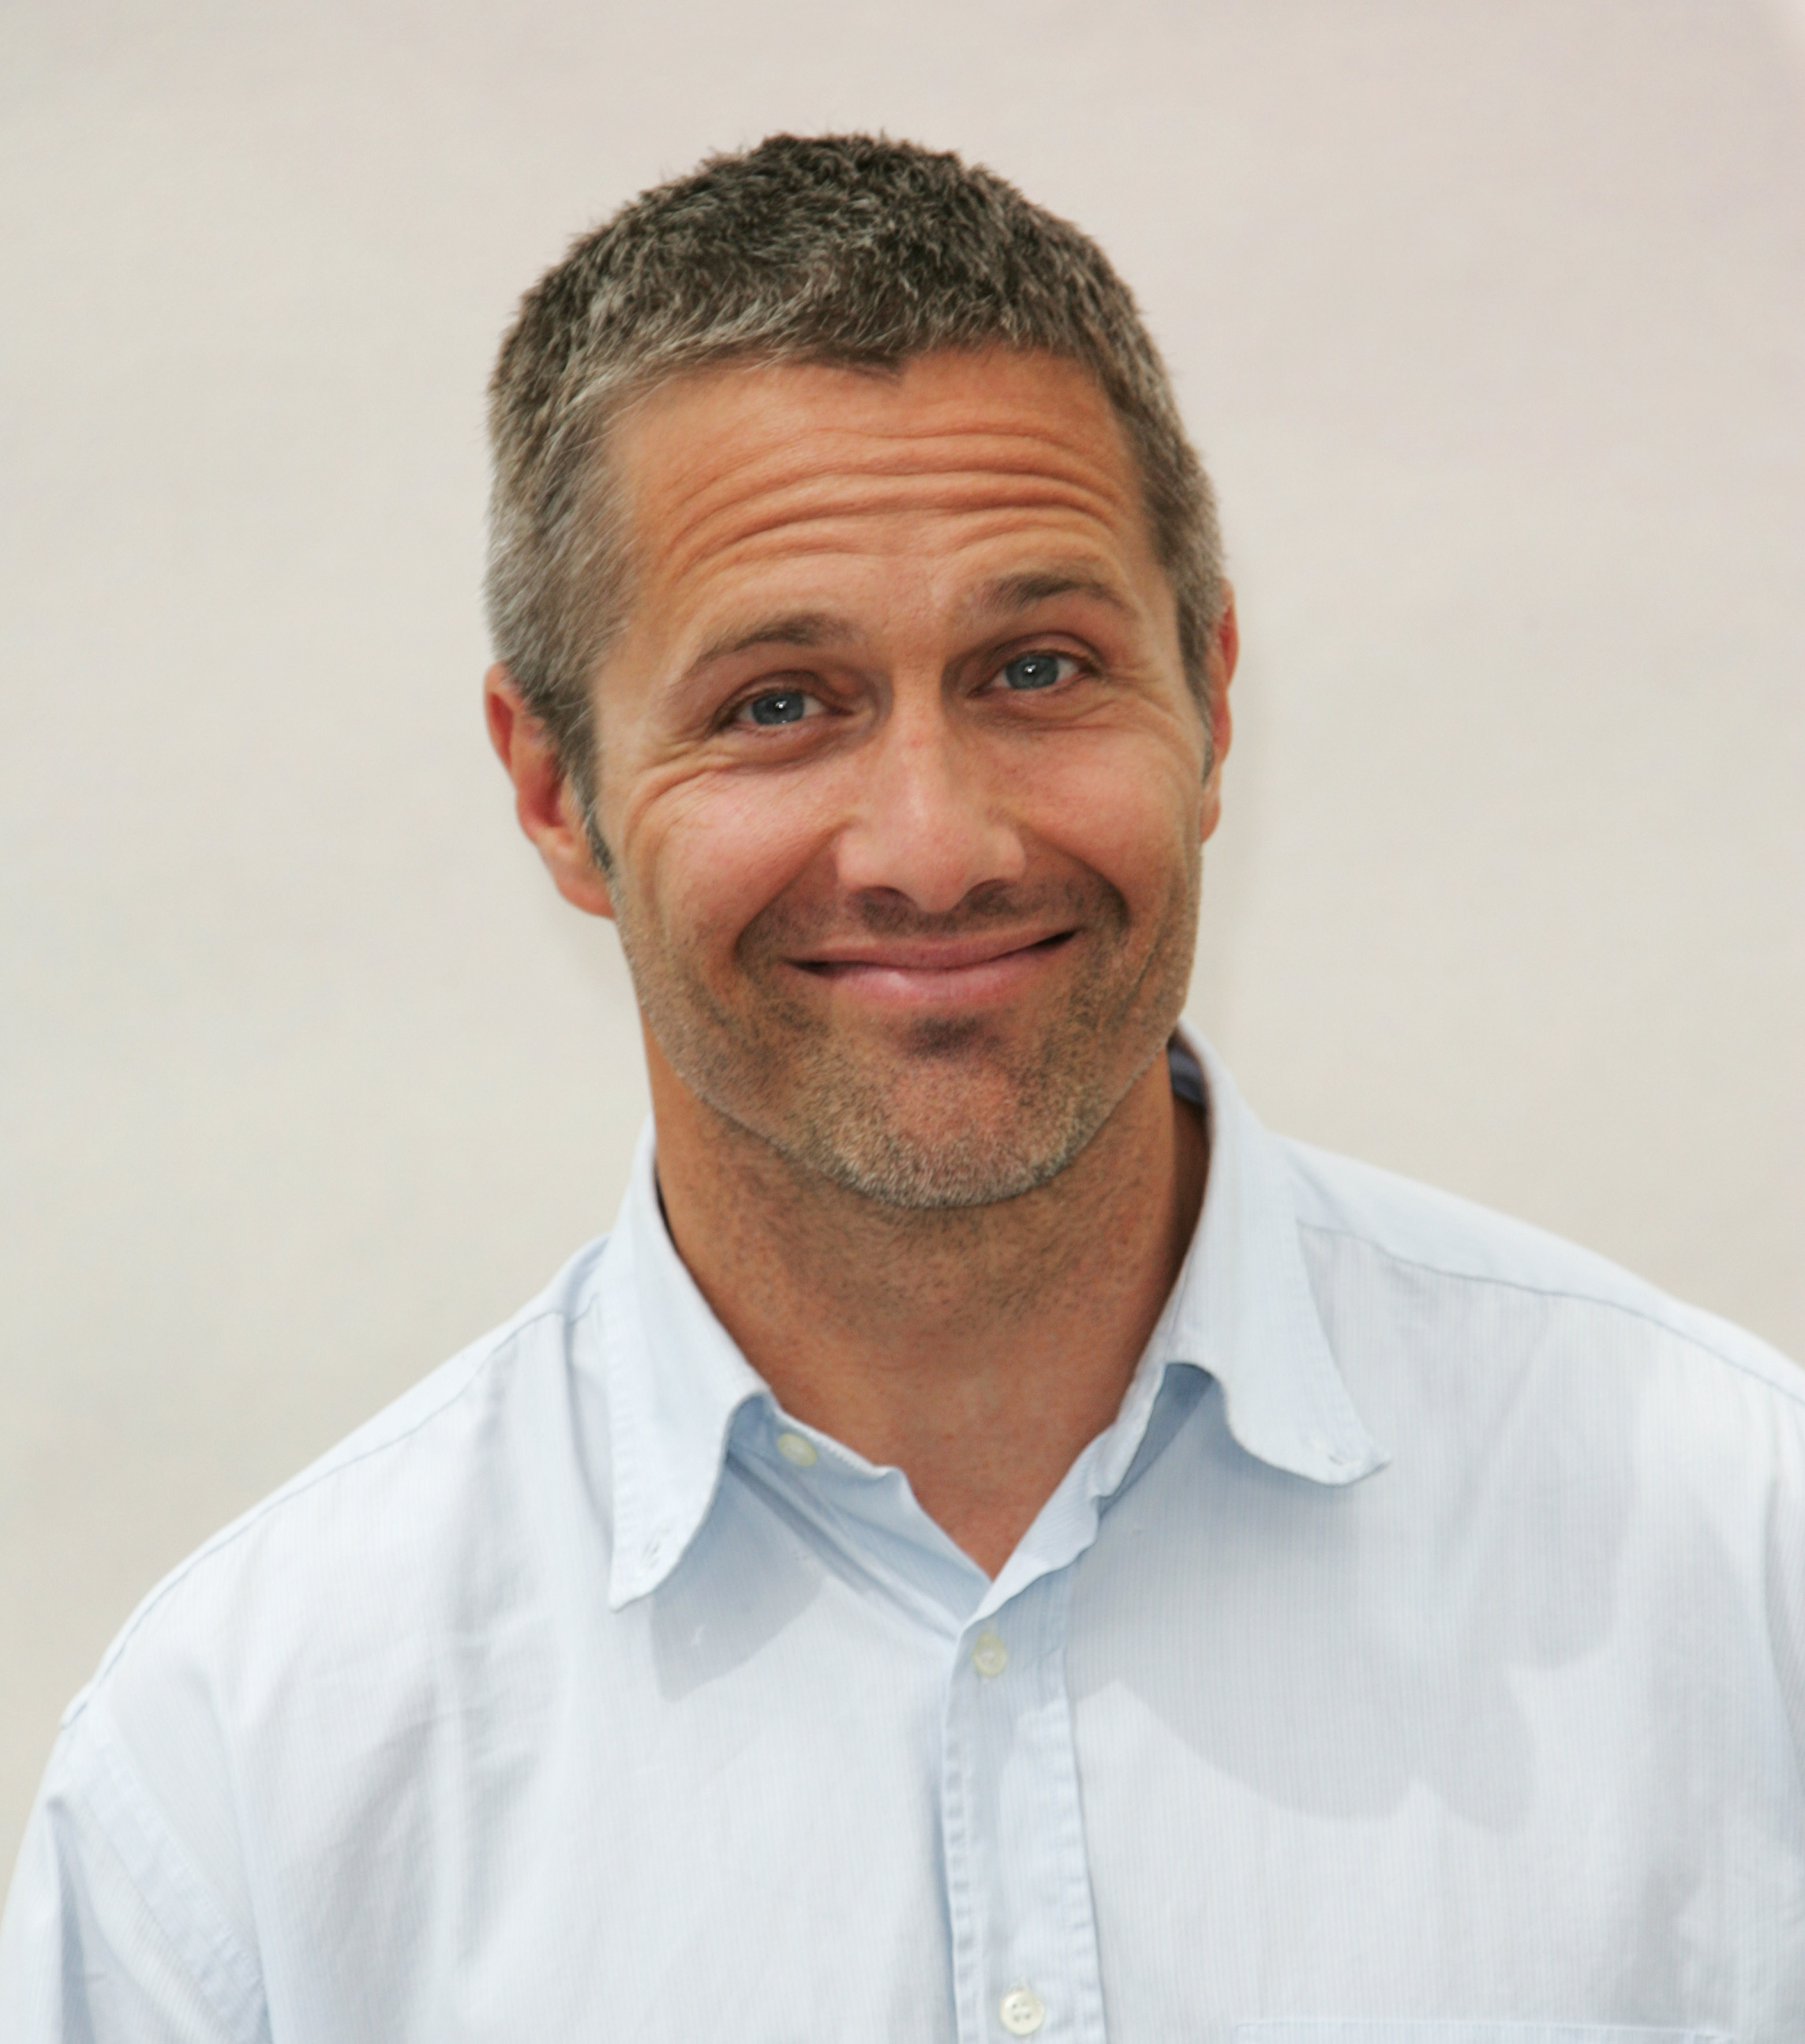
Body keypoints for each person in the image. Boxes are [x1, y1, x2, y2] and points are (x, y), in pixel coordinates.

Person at [3, 132, 1802, 2043]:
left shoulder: (1741, 1560)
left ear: (1210, 702)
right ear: (556, 791)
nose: (935, 847)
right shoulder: (247, 1779)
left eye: (1038, 668)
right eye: (778, 703)